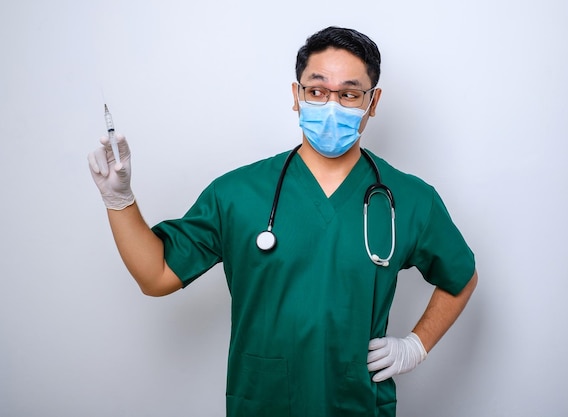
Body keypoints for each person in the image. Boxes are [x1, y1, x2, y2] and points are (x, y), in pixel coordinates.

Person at [88, 26, 478, 417]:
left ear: (372, 102)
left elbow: (460, 277)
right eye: (317, 90)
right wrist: (119, 200)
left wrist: (416, 345)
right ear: (297, 96)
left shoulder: (410, 199)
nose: (331, 105)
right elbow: (154, 275)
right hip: (264, 403)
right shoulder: (238, 193)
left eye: (349, 94)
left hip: (358, 404)